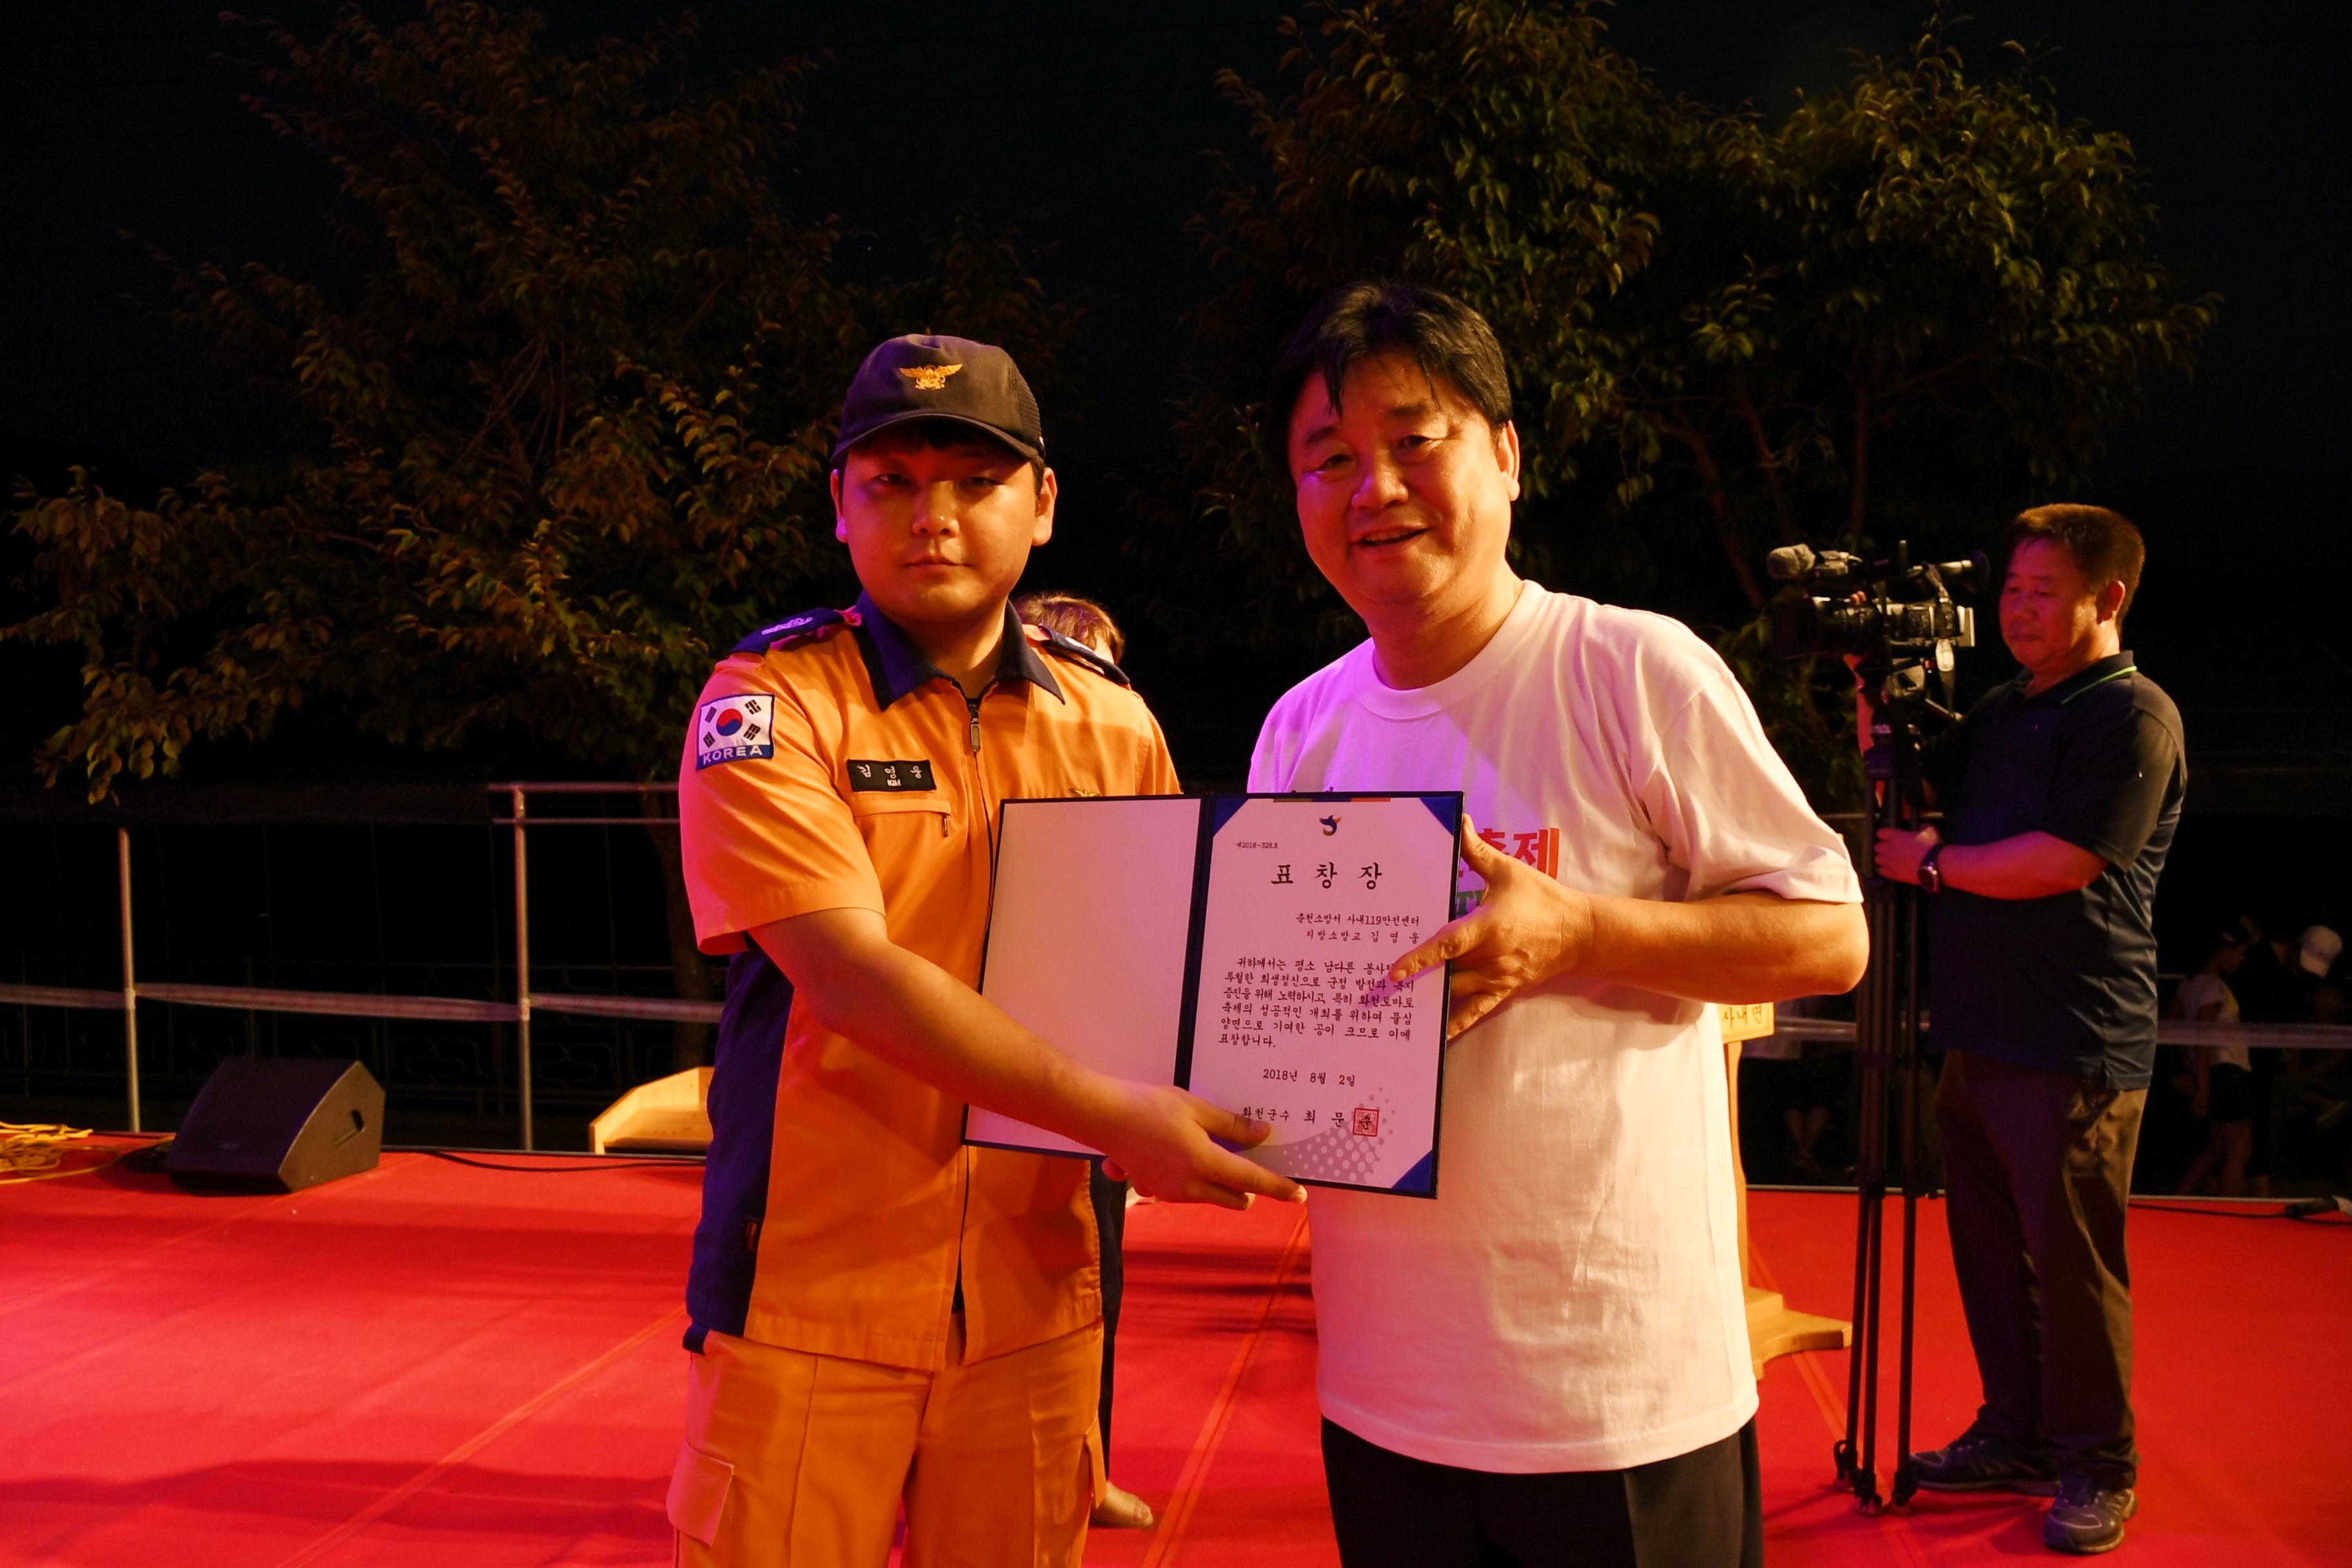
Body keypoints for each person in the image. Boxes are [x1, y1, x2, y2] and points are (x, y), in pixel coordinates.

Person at [1248, 280, 1868, 1568]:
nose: (1376, 487)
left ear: (1507, 455)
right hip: (1381, 1386)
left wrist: (1581, 929)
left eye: (1418, 440)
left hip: (1617, 1395)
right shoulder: (1301, 729)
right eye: (1330, 458)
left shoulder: (1629, 669)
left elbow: (1828, 932)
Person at [669, 333, 1304, 1568]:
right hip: (807, 1295)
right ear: (839, 506)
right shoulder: (766, 701)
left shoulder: (1112, 721)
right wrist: (1116, 1116)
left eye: (973, 481)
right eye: (892, 482)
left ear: (1043, 504)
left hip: (1036, 1297)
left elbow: (1174, 969)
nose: (933, 517)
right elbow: (850, 977)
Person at [1868, 504, 2186, 1555]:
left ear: (2107, 599)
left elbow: (2064, 859)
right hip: (1979, 1026)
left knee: (2072, 1257)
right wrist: (1884, 718)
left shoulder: (2130, 714)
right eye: (2008, 589)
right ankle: (2013, 1431)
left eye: (2041, 592)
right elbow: (1930, 802)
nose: (2016, 609)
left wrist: (1926, 865)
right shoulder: (2005, 707)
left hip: (2074, 1033)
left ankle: (2098, 1463)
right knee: (1989, 1251)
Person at [1010, 589, 1155, 1533]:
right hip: (976, 1049)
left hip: (1091, 1063)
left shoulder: (1123, 738)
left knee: (1091, 1274)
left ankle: (1080, 1468)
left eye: (1095, 656)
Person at [2173, 920, 2255, 1197]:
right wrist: (2203, 1087)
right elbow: (2203, 1038)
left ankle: (2179, 1199)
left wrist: (2192, 1066)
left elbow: (2176, 1026)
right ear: (2223, 950)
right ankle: (2233, 1215)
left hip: (2215, 1073)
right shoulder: (2211, 987)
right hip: (2228, 1072)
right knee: (2239, 1149)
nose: (2243, 960)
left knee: (2219, 1147)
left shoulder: (2189, 984)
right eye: (2241, 952)